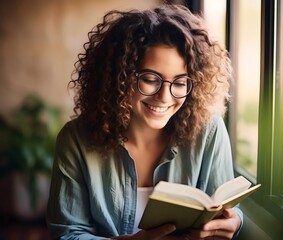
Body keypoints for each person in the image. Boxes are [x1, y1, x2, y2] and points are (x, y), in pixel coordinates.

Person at [47, 4, 243, 240]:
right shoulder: (76, 140)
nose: (164, 97)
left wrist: (235, 220)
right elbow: (66, 234)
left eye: (180, 83)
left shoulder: (208, 131)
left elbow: (223, 210)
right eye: (150, 79)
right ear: (118, 77)